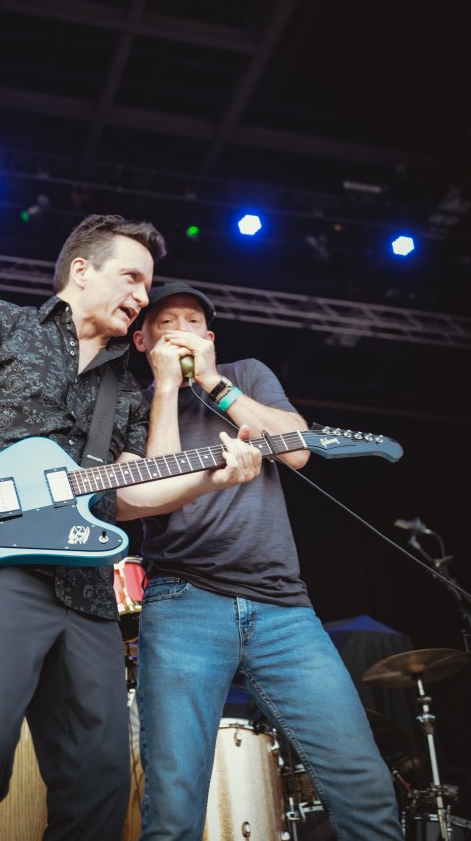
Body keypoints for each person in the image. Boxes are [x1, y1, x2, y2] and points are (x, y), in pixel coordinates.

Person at [0, 215, 262, 841]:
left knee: (102, 780)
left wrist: (213, 479)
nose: (143, 297)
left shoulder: (128, 388)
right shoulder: (0, 322)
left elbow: (136, 493)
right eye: (132, 278)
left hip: (87, 590)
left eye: (147, 284)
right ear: (82, 270)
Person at [131, 281, 405, 841]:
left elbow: (298, 450)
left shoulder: (247, 374)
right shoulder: (129, 403)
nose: (180, 331)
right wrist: (167, 389)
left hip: (282, 607)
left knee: (363, 784)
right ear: (142, 340)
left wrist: (213, 383)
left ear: (210, 339)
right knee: (174, 806)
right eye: (166, 323)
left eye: (192, 322)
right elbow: (155, 484)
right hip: (183, 603)